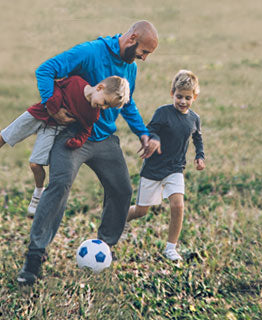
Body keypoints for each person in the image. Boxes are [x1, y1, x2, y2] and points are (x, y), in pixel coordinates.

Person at [16, 21, 161, 285]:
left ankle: (104, 246)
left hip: (104, 140)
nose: (144, 58)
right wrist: (52, 107)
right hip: (73, 135)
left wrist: (142, 132)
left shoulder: (131, 68)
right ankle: (34, 259)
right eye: (144, 51)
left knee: (122, 190)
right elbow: (46, 69)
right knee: (59, 185)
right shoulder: (91, 52)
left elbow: (127, 104)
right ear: (133, 37)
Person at [0, 75, 131, 215]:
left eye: (109, 107)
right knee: (4, 136)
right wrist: (54, 105)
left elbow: (86, 129)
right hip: (39, 112)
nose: (105, 108)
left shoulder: (93, 114)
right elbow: (54, 85)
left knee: (35, 164)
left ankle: (38, 192)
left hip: (54, 128)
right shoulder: (76, 82)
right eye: (106, 102)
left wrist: (76, 141)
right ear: (99, 88)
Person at [126, 70, 206, 261]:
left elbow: (198, 138)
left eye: (187, 98)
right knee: (141, 211)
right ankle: (119, 220)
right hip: (153, 169)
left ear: (194, 97)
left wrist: (199, 156)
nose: (182, 101)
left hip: (175, 168)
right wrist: (153, 140)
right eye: (179, 96)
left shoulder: (194, 119)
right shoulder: (162, 113)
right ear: (172, 93)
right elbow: (151, 130)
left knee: (178, 205)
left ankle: (171, 248)